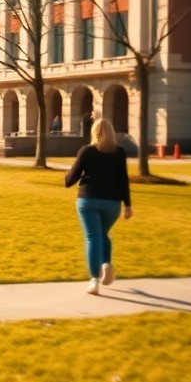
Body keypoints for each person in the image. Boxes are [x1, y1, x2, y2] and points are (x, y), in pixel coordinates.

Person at [63, 118, 132, 296]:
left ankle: (94, 279)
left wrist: (68, 172)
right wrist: (128, 205)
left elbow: (70, 181)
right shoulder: (120, 152)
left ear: (94, 132)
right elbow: (123, 179)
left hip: (89, 200)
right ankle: (106, 263)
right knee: (102, 235)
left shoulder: (86, 151)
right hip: (112, 202)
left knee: (93, 237)